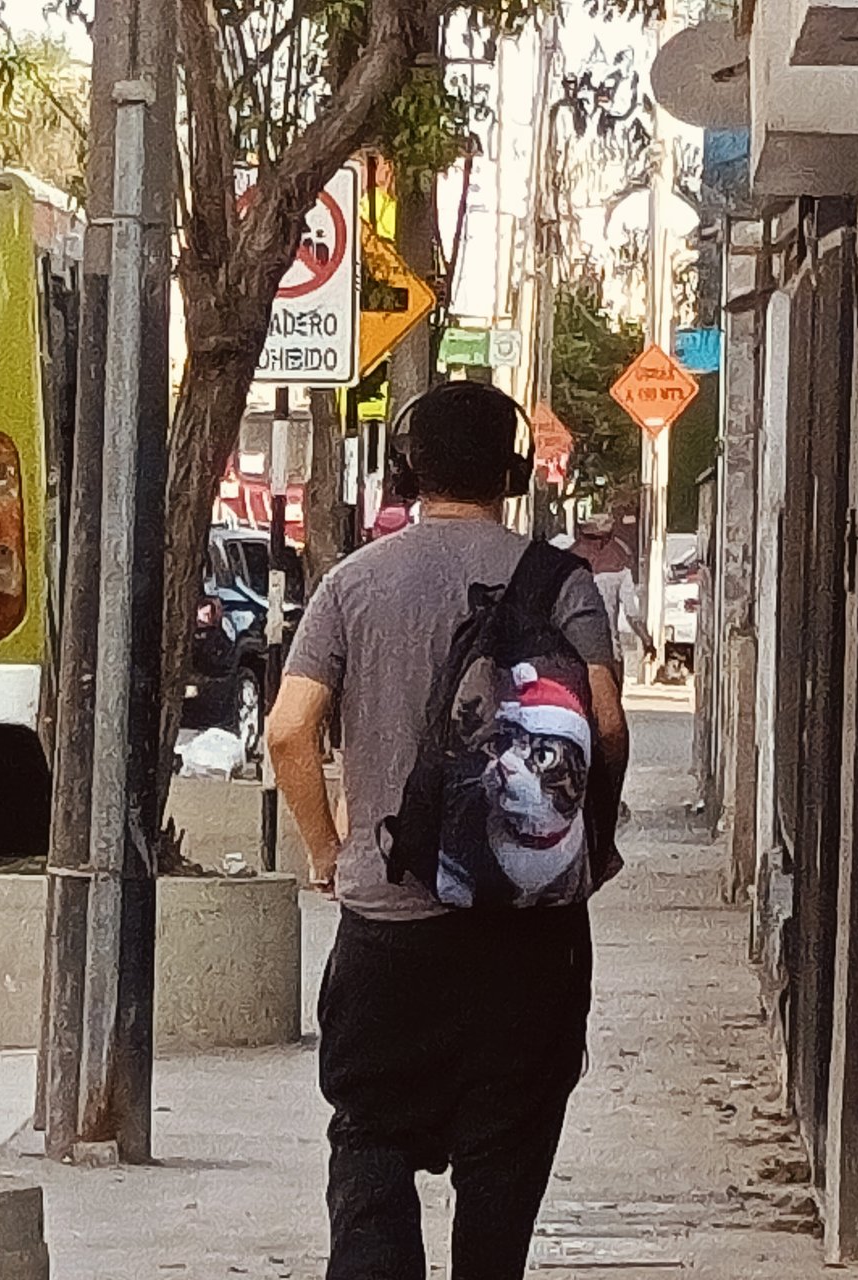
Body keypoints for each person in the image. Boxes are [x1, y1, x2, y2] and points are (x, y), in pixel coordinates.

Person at [267, 382, 628, 1280]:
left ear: (405, 469)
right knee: (502, 1172)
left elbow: (287, 730)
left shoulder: (355, 582)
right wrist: (585, 845)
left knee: (372, 1150)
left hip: (389, 935)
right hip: (529, 941)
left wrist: (328, 850)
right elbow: (609, 724)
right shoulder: (564, 582)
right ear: (512, 473)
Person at [572, 514, 656, 688]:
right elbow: (632, 614)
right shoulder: (620, 565)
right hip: (608, 652)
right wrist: (647, 641)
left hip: (573, 652)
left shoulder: (569, 561)